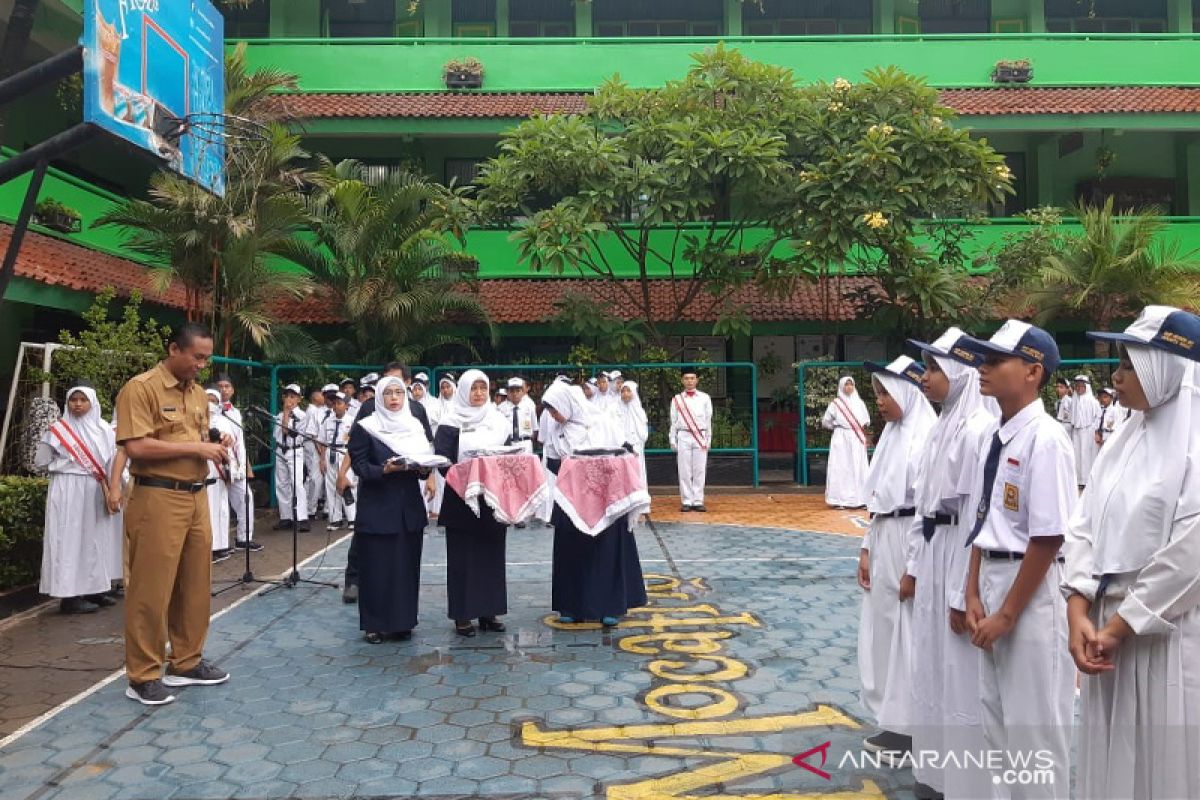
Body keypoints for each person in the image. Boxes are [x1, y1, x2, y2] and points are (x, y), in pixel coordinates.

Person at [1064, 306, 1200, 800]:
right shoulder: (1124, 437)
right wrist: (1077, 607)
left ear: (1164, 367)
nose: (1116, 378)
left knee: (1161, 765)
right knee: (1109, 759)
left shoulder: (1193, 443)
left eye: (1128, 365)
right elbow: (1082, 524)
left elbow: (1189, 557)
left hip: (1163, 637)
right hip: (1104, 632)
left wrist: (1121, 627)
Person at [958, 319, 1076, 797]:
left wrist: (1007, 613)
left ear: (1033, 371)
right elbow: (986, 520)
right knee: (998, 724)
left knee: (1034, 732)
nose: (982, 369)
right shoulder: (1001, 434)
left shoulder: (1046, 439)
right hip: (994, 577)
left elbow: (1048, 538)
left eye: (994, 360)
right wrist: (971, 590)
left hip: (1029, 592)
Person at [115, 323, 231, 706]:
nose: (202, 364)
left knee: (195, 584)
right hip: (157, 497)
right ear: (173, 349)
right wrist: (197, 449)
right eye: (197, 357)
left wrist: (214, 444)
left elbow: (195, 438)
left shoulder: (198, 394)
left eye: (206, 358)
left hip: (196, 496)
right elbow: (136, 446)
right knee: (152, 588)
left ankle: (186, 661)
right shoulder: (141, 388)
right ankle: (144, 675)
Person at [904, 329, 997, 798]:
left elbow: (977, 518)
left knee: (959, 672)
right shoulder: (941, 425)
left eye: (935, 368)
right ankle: (934, 770)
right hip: (936, 546)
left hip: (958, 549)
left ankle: (967, 779)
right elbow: (926, 506)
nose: (926, 377)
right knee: (931, 664)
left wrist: (965, 591)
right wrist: (917, 566)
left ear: (959, 374)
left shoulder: (979, 430)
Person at [856, 356, 936, 760]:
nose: (881, 402)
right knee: (884, 626)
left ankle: (911, 727)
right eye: (877, 394)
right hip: (887, 532)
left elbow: (925, 509)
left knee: (908, 631)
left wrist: (915, 567)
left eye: (886, 392)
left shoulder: (925, 435)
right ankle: (892, 717)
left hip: (909, 538)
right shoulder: (892, 435)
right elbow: (879, 500)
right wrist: (868, 548)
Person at [542, 380, 648, 626]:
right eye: (550, 411)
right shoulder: (558, 430)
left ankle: (610, 605)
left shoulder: (603, 421)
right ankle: (571, 605)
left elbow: (626, 452)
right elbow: (552, 462)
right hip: (571, 499)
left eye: (555, 409)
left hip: (607, 498)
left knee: (607, 549)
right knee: (571, 550)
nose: (553, 416)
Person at [349, 376, 435, 644]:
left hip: (408, 507)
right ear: (379, 397)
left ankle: (402, 622)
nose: (395, 398)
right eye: (389, 393)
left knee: (406, 567)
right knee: (376, 567)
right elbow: (359, 466)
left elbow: (424, 467)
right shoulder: (367, 427)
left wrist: (423, 468)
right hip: (377, 507)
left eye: (399, 392)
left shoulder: (414, 426)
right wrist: (383, 469)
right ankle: (373, 624)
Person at [433, 369, 511, 637]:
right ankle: (463, 616)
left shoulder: (498, 420)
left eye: (482, 388)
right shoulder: (450, 421)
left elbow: (510, 453)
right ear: (464, 390)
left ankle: (489, 611)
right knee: (463, 559)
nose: (478, 394)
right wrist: (467, 476)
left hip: (492, 499)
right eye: (473, 388)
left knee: (491, 556)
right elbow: (442, 460)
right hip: (460, 498)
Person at [36, 384, 124, 614]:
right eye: (73, 399)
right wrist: (65, 466)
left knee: (95, 538)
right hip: (67, 489)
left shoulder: (103, 429)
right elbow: (41, 461)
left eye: (82, 400)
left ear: (92, 403)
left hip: (94, 489)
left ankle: (95, 588)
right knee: (69, 539)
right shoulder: (57, 430)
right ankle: (69, 596)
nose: (77, 404)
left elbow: (111, 461)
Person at [214, 374, 259, 552]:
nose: (223, 390)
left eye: (227, 386)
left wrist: (245, 465)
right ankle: (220, 544)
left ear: (232, 390)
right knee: (221, 505)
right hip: (218, 464)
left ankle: (244, 537)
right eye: (220, 386)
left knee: (245, 498)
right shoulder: (210, 411)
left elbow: (240, 442)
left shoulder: (235, 412)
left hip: (236, 464)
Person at [822, 376, 871, 509]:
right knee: (841, 466)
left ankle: (861, 499)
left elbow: (866, 421)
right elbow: (826, 421)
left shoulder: (859, 403)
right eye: (846, 385)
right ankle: (839, 500)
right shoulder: (836, 403)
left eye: (851, 384)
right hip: (841, 437)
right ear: (841, 386)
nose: (849, 387)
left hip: (856, 437)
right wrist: (837, 427)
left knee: (858, 466)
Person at [669, 367, 712, 512]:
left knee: (699, 469)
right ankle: (686, 500)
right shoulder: (676, 399)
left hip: (700, 435)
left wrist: (709, 439)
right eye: (686, 378)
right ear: (682, 380)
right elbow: (673, 421)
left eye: (692, 378)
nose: (689, 381)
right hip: (684, 435)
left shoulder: (705, 398)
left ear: (697, 380)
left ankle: (698, 500)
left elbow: (708, 420)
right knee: (684, 470)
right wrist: (672, 439)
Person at [272, 384, 310, 532]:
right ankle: (285, 516)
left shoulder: (302, 416)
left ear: (299, 399)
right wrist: (285, 413)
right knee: (282, 483)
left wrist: (287, 413)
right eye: (287, 396)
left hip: (295, 451)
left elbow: (287, 431)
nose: (289, 399)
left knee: (297, 483)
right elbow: (278, 435)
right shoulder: (280, 415)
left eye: (293, 396)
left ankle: (302, 517)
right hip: (281, 450)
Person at [204, 388, 235, 564]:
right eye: (207, 399)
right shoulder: (199, 422)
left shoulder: (224, 421)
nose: (210, 404)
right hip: (206, 473)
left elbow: (232, 444)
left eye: (213, 400)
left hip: (220, 471)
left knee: (222, 510)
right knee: (209, 511)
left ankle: (222, 544)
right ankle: (211, 547)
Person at [319, 392, 357, 532]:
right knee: (331, 486)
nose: (336, 406)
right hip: (331, 452)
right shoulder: (328, 421)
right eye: (334, 403)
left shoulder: (352, 421)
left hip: (345, 453)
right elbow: (322, 441)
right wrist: (322, 459)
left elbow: (355, 442)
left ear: (346, 405)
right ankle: (336, 519)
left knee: (347, 485)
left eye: (339, 403)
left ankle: (352, 518)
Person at [617, 381, 650, 495]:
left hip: (636, 445)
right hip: (621, 446)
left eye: (628, 391)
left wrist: (636, 444)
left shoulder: (639, 411)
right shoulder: (616, 409)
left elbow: (643, 432)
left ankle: (640, 501)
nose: (625, 394)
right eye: (623, 391)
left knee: (638, 472)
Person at [1069, 374, 1102, 487]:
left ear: (1086, 387)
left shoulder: (1092, 401)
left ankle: (1086, 480)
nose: (1079, 389)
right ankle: (1078, 479)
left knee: (1086, 454)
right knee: (1076, 454)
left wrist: (1094, 429)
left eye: (1081, 386)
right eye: (1077, 386)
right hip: (1076, 430)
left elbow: (1098, 417)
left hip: (1088, 431)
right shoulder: (1074, 400)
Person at [303, 388, 329, 520]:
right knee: (314, 478)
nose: (323, 396)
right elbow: (313, 434)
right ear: (314, 397)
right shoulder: (312, 410)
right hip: (313, 446)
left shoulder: (319, 410)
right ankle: (309, 509)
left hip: (319, 446)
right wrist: (321, 454)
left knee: (317, 479)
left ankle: (311, 508)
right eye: (321, 394)